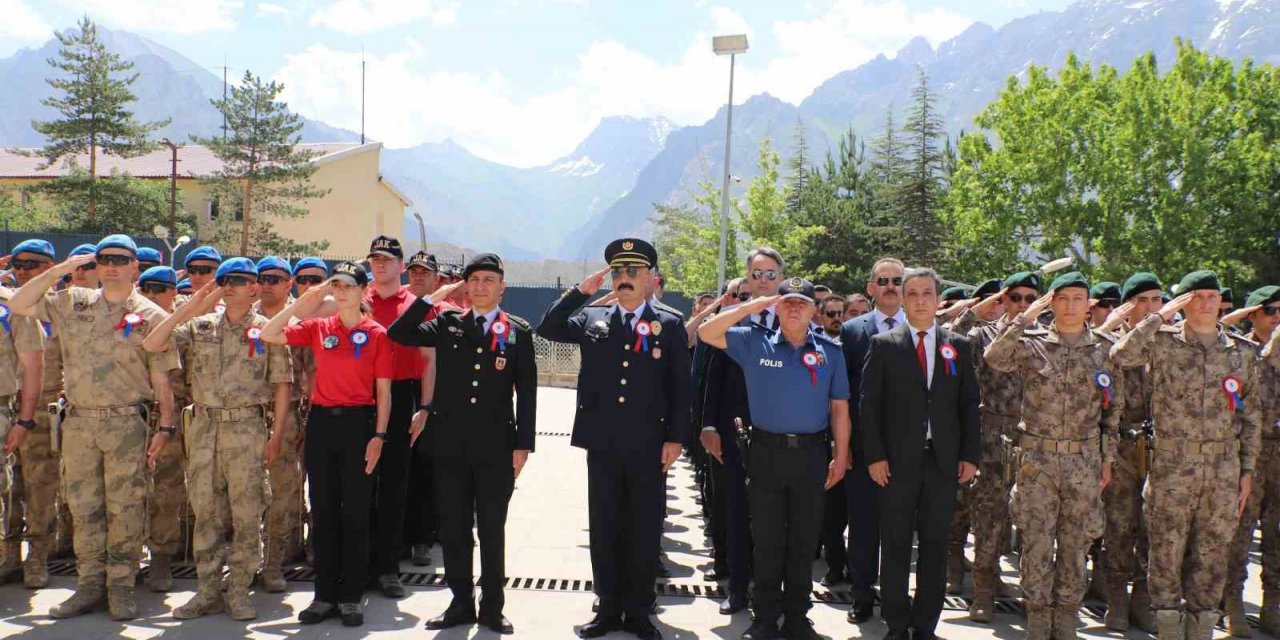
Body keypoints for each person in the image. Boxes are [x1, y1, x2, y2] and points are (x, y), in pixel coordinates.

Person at [7, 234, 178, 620]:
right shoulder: (73, 302)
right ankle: (88, 585)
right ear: (95, 266)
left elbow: (162, 375)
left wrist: (166, 425)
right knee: (84, 508)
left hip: (125, 422)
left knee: (126, 508)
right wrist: (62, 269)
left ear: (135, 266)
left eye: (120, 259)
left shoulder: (151, 315)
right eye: (104, 259)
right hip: (80, 422)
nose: (112, 265)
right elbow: (19, 303)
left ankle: (120, 586)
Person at [537, 238, 689, 640]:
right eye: (618, 273)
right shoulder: (592, 319)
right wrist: (580, 292)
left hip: (647, 444)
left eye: (632, 272)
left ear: (650, 279)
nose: (624, 279)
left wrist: (675, 437)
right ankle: (607, 608)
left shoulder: (669, 324)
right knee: (604, 525)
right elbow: (548, 327)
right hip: (603, 442)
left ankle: (638, 611)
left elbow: (679, 387)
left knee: (643, 527)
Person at [388, 253, 537, 635]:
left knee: (491, 528)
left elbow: (528, 394)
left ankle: (492, 607)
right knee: (454, 528)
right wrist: (433, 296)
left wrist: (523, 446)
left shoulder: (517, 330)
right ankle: (459, 603)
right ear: (465, 287)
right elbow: (399, 333)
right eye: (474, 280)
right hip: (449, 444)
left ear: (502, 287)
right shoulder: (447, 323)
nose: (481, 286)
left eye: (489, 280)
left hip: (495, 447)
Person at [1111, 270, 1261, 640]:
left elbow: (1251, 417)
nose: (1207, 302)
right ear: (1184, 302)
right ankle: (1166, 627)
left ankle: (1202, 628)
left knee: (1212, 553)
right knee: (1165, 551)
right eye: (1198, 296)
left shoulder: (1241, 353)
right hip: (1173, 466)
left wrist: (1247, 470)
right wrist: (1159, 316)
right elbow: (1120, 354)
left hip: (1223, 469)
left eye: (1212, 296)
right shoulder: (1162, 342)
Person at [699, 277, 850, 640]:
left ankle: (798, 617)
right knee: (766, 541)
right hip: (766, 453)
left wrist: (841, 457)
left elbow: (840, 410)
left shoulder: (831, 352)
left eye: (802, 302)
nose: (794, 307)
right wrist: (752, 305)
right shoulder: (753, 341)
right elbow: (706, 332)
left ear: (814, 309)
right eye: (787, 302)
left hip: (812, 455)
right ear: (776, 308)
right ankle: (765, 618)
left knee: (802, 542)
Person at [142, 259, 293, 621]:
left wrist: (275, 435)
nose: (229, 286)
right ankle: (208, 590)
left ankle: (239, 589)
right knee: (206, 513)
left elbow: (282, 385)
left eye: (239, 281)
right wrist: (192, 306)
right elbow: (152, 343)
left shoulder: (266, 330)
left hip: (246, 428)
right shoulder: (200, 326)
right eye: (224, 280)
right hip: (205, 427)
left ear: (254, 287)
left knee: (246, 513)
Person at [985, 272, 1120, 640]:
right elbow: (994, 356)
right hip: (1038, 463)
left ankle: (1066, 620)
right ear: (1052, 303)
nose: (1071, 305)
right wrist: (1026, 317)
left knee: (1077, 545)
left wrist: (1107, 460)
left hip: (1084, 462)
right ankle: (1039, 619)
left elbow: (1113, 412)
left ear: (1088, 305)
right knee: (1036, 543)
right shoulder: (1032, 344)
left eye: (1079, 298)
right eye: (1063, 298)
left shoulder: (1106, 350)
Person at [261, 260, 393, 627]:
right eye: (337, 285)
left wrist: (379, 436)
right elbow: (271, 333)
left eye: (349, 285)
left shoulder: (377, 333)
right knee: (323, 510)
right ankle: (323, 596)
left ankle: (351, 596)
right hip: (321, 422)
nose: (342, 291)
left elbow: (384, 391)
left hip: (359, 424)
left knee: (355, 512)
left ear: (363, 291)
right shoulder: (319, 327)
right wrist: (310, 296)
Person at [859, 267, 980, 640]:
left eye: (927, 293)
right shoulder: (884, 345)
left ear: (938, 299)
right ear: (904, 299)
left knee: (933, 544)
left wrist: (969, 456)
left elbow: (968, 405)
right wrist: (875, 457)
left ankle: (925, 624)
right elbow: (869, 406)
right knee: (894, 543)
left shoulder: (956, 346)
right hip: (895, 464)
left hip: (942, 463)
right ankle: (897, 623)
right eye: (912, 293)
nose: (920, 300)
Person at [963, 271, 1040, 621]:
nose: (1022, 304)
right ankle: (983, 592)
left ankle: (1032, 593)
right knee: (988, 519)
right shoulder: (982, 335)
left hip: (1034, 440)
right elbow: (953, 336)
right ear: (1003, 300)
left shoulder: (1046, 338)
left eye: (1030, 298)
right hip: (992, 436)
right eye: (1015, 297)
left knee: (1034, 525)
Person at [359, 235, 429, 599]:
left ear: (402, 266)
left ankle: (387, 568)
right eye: (374, 258)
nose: (380, 264)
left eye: (388, 259)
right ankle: (357, 566)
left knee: (393, 485)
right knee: (358, 485)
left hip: (401, 396)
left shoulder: (415, 304)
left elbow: (430, 359)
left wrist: (425, 406)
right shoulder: (357, 298)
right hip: (360, 395)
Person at [1095, 272, 1163, 633]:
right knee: (1120, 524)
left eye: (1156, 301)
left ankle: (1143, 598)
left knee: (1154, 528)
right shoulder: (1109, 343)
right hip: (1121, 446)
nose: (1151, 309)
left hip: (1160, 449)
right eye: (1142, 301)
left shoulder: (1170, 343)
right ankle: (1116, 599)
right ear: (1128, 306)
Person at [840, 256, 906, 624]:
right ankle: (862, 596)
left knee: (898, 531)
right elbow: (843, 395)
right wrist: (844, 445)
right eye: (883, 280)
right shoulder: (851, 331)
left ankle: (895, 599)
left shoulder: (920, 328)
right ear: (870, 288)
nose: (891, 286)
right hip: (863, 448)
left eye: (897, 280)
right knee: (863, 529)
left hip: (908, 450)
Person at [1222, 285, 1280, 637]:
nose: (1277, 317)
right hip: (1250, 455)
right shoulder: (1241, 353)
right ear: (1252, 315)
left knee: (1276, 537)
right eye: (1271, 310)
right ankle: (1233, 608)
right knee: (1240, 536)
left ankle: (1273, 607)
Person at [253, 256, 309, 592]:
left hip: (288, 419)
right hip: (246, 417)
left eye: (276, 278)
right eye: (263, 277)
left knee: (282, 495)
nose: (268, 283)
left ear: (290, 283)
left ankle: (274, 564)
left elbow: (313, 372)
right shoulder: (244, 317)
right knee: (244, 496)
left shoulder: (300, 321)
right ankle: (246, 562)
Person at [136, 264, 191, 593]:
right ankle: (125, 559)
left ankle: (161, 558)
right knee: (126, 493)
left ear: (174, 292)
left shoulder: (185, 330)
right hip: (132, 417)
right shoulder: (127, 326)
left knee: (167, 492)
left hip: (171, 420)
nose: (153, 294)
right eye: (147, 288)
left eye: (160, 288)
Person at [0, 241, 48, 586]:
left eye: (31, 264)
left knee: (37, 486)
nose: (22, 270)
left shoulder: (13, 307)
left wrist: (24, 419)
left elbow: (33, 366)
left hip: (12, 409)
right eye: (18, 264)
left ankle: (37, 557)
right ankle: (8, 556)